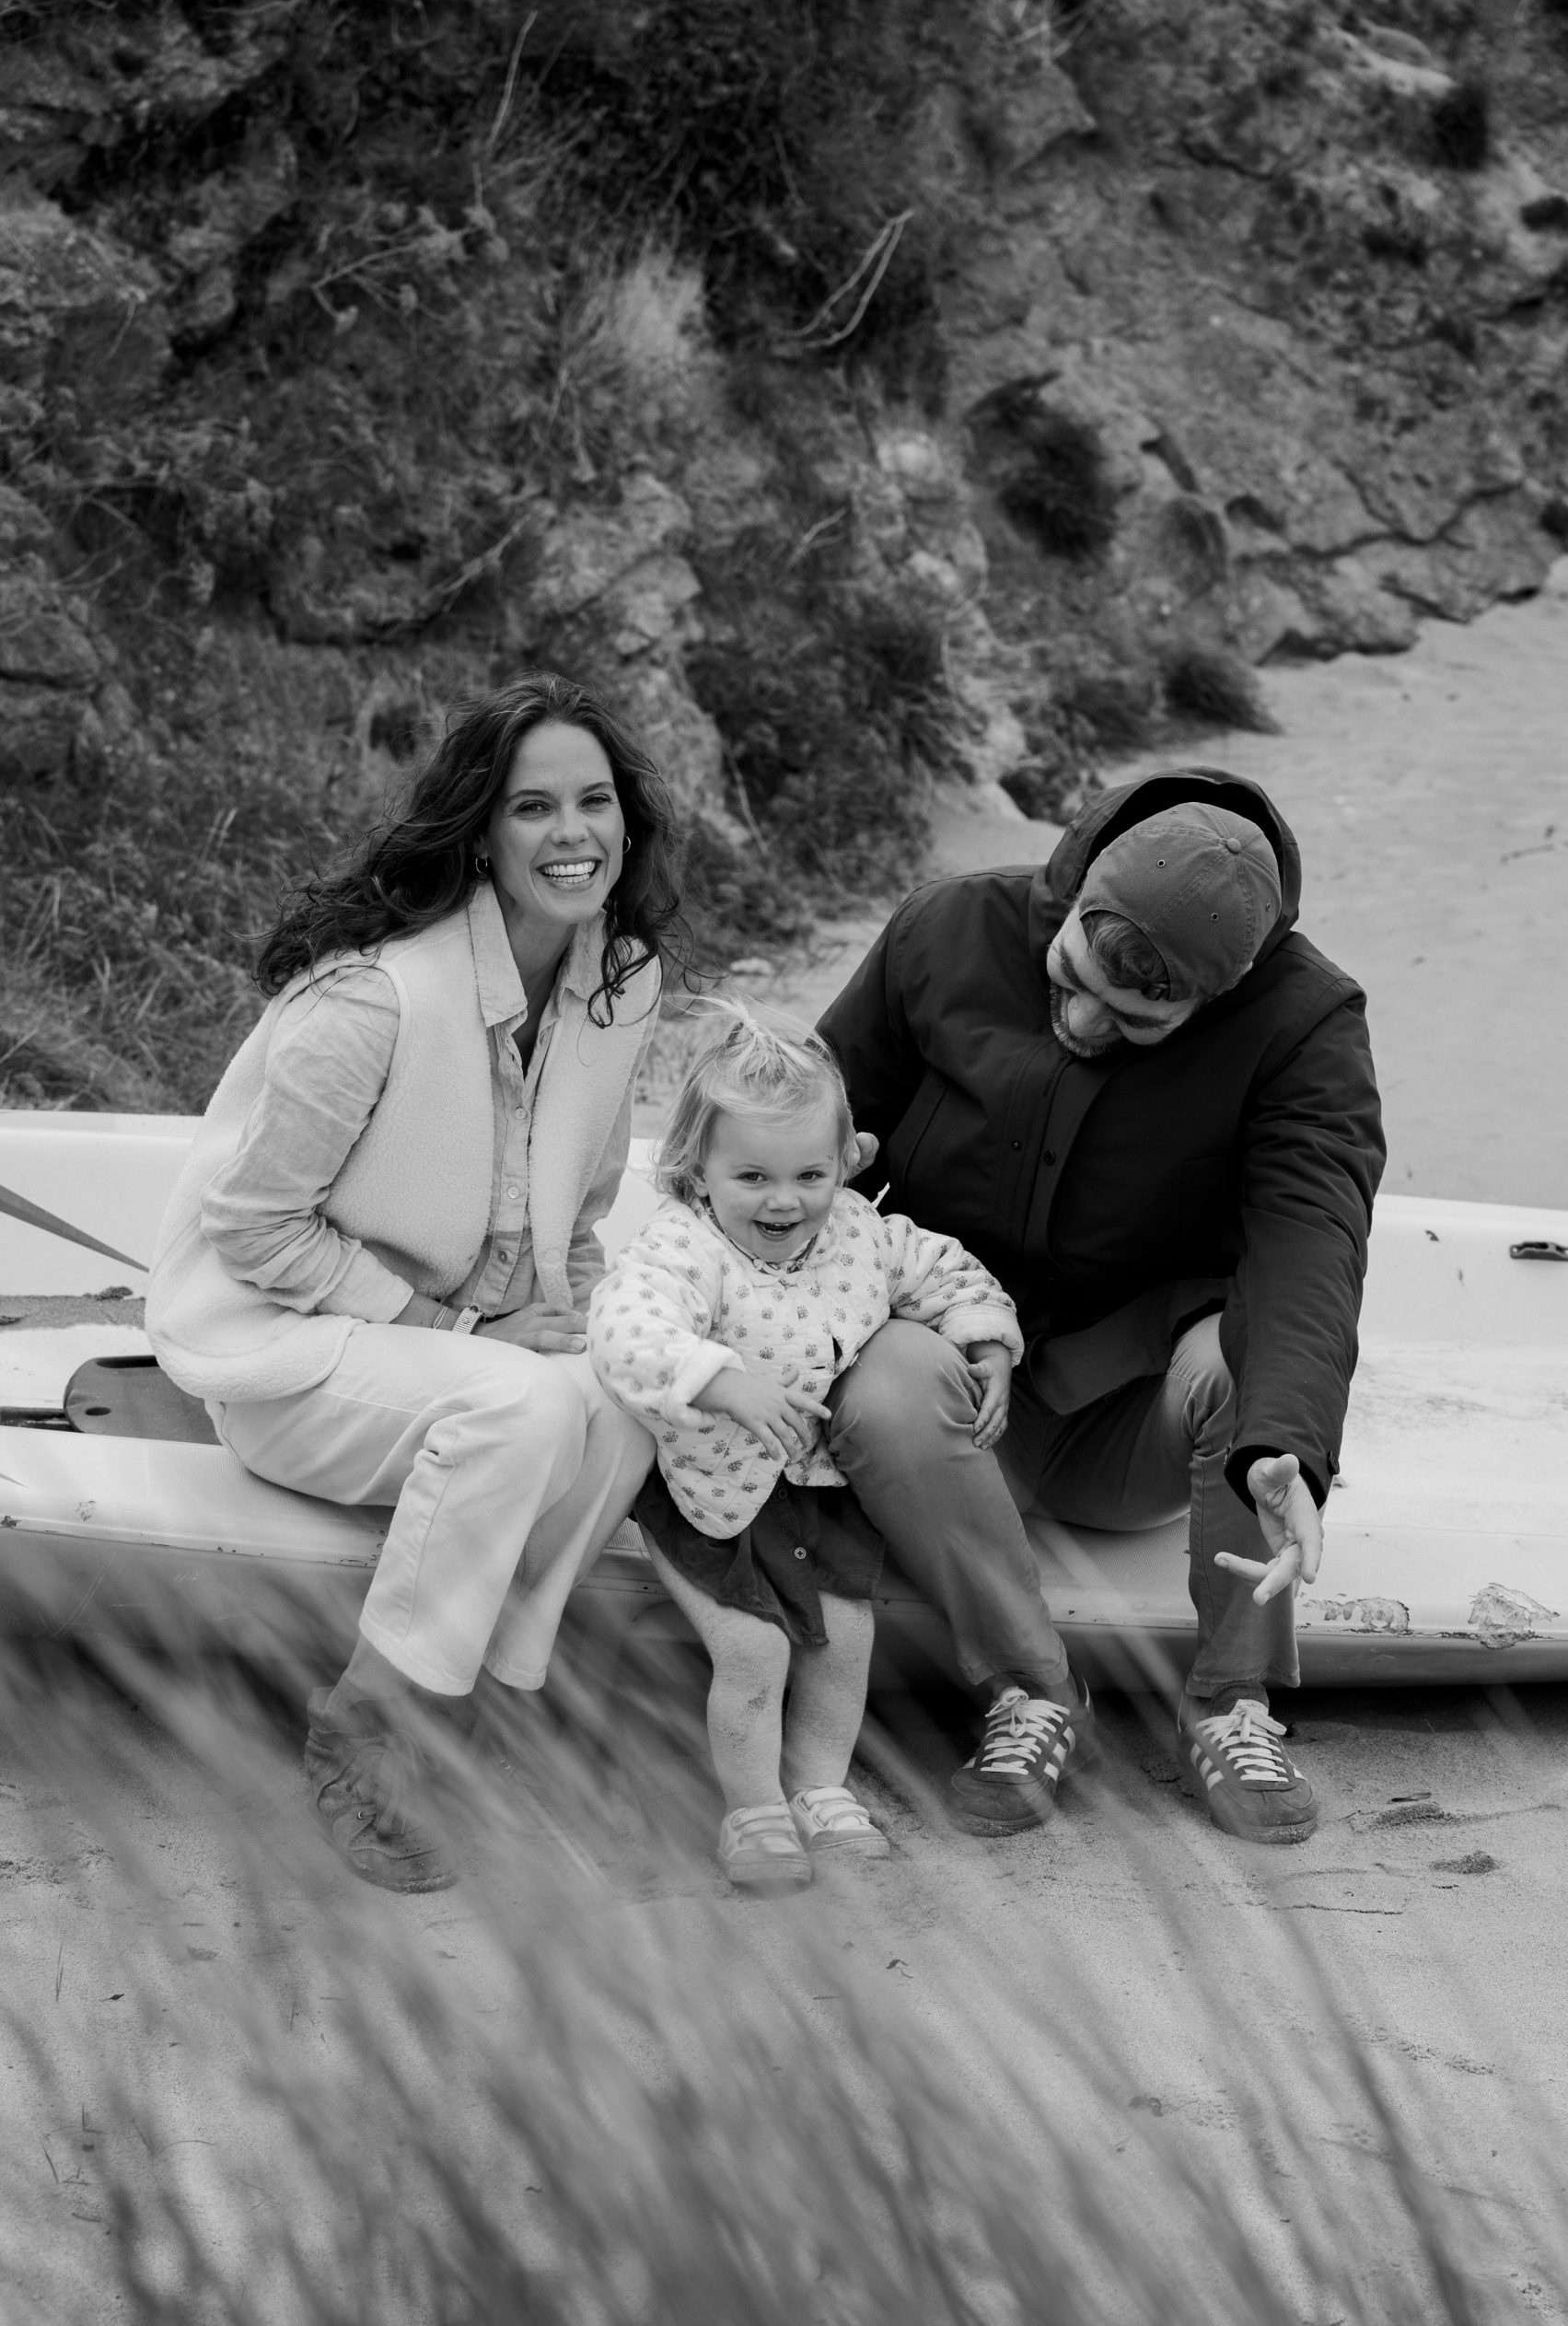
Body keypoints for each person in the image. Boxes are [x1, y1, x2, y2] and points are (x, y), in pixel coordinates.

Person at [145, 674, 686, 1893]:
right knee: (526, 1407)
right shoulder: (368, 998)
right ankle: (364, 1722)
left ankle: (491, 1704)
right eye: (533, 808)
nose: (572, 835)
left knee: (617, 1403)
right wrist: (464, 1325)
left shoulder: (618, 979)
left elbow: (585, 1213)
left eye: (594, 802)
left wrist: (594, 1338)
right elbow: (255, 1235)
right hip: (283, 1352)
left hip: (468, 1346)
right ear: (480, 834)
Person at [818, 773, 1385, 1845]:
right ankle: (1031, 1691)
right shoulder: (946, 927)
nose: (1081, 1022)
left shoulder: (1306, 1025)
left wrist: (1288, 1449)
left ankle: (1233, 1704)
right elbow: (806, 1144)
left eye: (1136, 1019)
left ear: (1216, 997)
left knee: (1239, 1358)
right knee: (885, 1375)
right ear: (1074, 895)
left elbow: (1310, 1243)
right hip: (951, 1400)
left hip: (1139, 1417)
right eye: (1069, 975)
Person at [587, 1012, 1028, 1890]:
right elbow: (624, 1327)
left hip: (820, 1489)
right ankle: (752, 1810)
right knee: (754, 1652)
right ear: (695, 1170)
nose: (782, 1200)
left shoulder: (860, 1233)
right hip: (706, 1491)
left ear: (846, 1164)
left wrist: (986, 1339)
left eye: (808, 1174)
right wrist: (718, 1378)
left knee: (845, 1639)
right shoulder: (684, 1245)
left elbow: (942, 1268)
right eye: (750, 1175)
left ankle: (818, 1785)